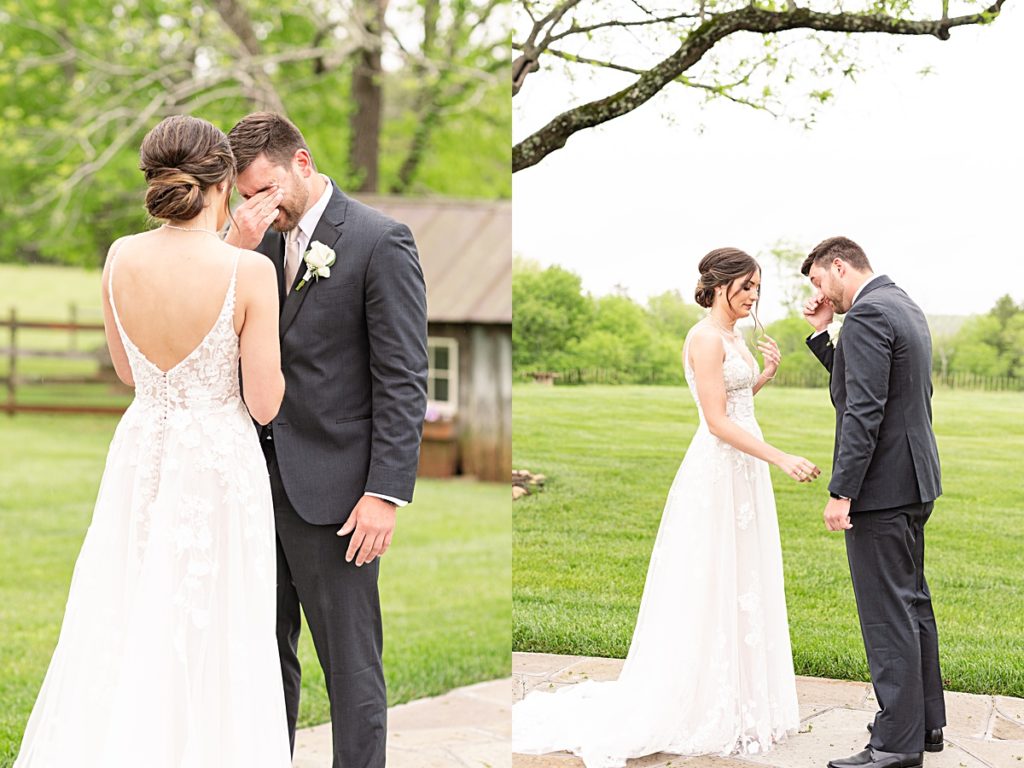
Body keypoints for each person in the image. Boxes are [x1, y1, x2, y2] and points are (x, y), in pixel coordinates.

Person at [13, 115, 290, 767]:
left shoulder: (120, 258)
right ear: (224, 183)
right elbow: (264, 400)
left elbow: (126, 370)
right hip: (220, 463)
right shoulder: (247, 273)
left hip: (144, 451)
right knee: (216, 629)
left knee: (132, 612)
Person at [512, 248, 820, 768]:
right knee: (708, 578)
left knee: (742, 577)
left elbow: (736, 401)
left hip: (742, 472)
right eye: (745, 287)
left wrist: (763, 374)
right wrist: (781, 457)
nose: (752, 297)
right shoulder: (703, 338)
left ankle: (743, 698)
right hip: (719, 469)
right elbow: (717, 421)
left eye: (757, 289)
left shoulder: (735, 337)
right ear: (718, 285)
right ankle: (699, 698)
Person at [223, 112, 428, 768]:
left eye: (265, 189)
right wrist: (233, 239)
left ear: (301, 163)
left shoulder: (378, 240)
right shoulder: (246, 246)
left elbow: (403, 378)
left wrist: (385, 492)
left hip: (339, 497)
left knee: (350, 666)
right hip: (251, 482)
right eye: (244, 195)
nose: (257, 206)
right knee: (261, 657)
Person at [801, 237, 944, 768]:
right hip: (914, 481)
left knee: (886, 614)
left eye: (818, 281)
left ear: (838, 267)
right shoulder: (901, 303)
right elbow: (866, 383)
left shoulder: (865, 316)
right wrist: (822, 335)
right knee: (912, 604)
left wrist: (843, 492)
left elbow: (861, 410)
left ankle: (894, 744)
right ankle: (924, 725)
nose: (819, 292)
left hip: (881, 489)